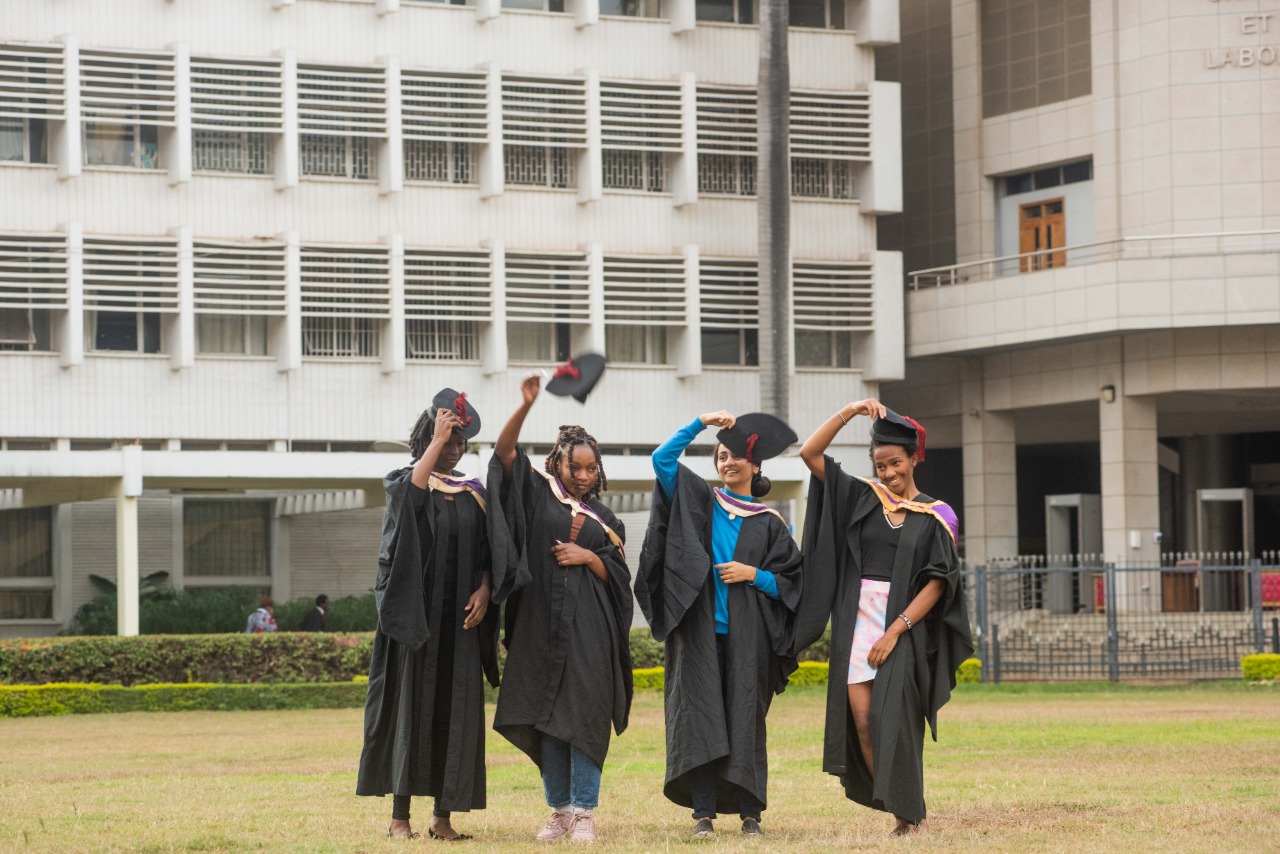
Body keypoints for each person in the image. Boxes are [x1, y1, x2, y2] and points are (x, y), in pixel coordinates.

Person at [795, 399, 973, 836]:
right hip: (857, 624)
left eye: (896, 463)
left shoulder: (937, 514)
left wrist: (896, 630)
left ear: (914, 459)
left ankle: (909, 814)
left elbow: (938, 582)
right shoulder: (863, 497)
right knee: (862, 722)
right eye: (880, 465)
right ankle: (899, 808)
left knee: (894, 721)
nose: (889, 473)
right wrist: (851, 410)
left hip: (904, 627)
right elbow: (810, 453)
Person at [636, 411, 803, 838]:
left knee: (745, 720)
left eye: (736, 456)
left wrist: (754, 575)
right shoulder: (700, 503)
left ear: (756, 466)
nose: (728, 462)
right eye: (722, 456)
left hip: (750, 639)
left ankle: (750, 814)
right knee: (700, 720)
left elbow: (791, 583)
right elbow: (662, 460)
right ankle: (703, 814)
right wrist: (699, 422)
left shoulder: (770, 523)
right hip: (698, 634)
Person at [486, 373, 633, 844]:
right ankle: (561, 811)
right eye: (576, 467)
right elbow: (504, 453)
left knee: (584, 716)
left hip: (590, 630)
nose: (584, 476)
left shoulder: (605, 520)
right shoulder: (536, 491)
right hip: (538, 624)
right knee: (544, 716)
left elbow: (620, 579)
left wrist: (589, 556)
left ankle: (585, 812)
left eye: (591, 468)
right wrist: (526, 404)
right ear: (558, 461)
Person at [356, 389, 499, 841]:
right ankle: (399, 818)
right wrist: (435, 441)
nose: (455, 450)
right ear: (427, 439)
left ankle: (443, 818)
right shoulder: (405, 482)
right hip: (416, 620)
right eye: (448, 441)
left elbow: (492, 551)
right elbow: (410, 503)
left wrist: (486, 588)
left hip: (461, 622)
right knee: (409, 711)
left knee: (455, 714)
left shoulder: (474, 493)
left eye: (461, 443)